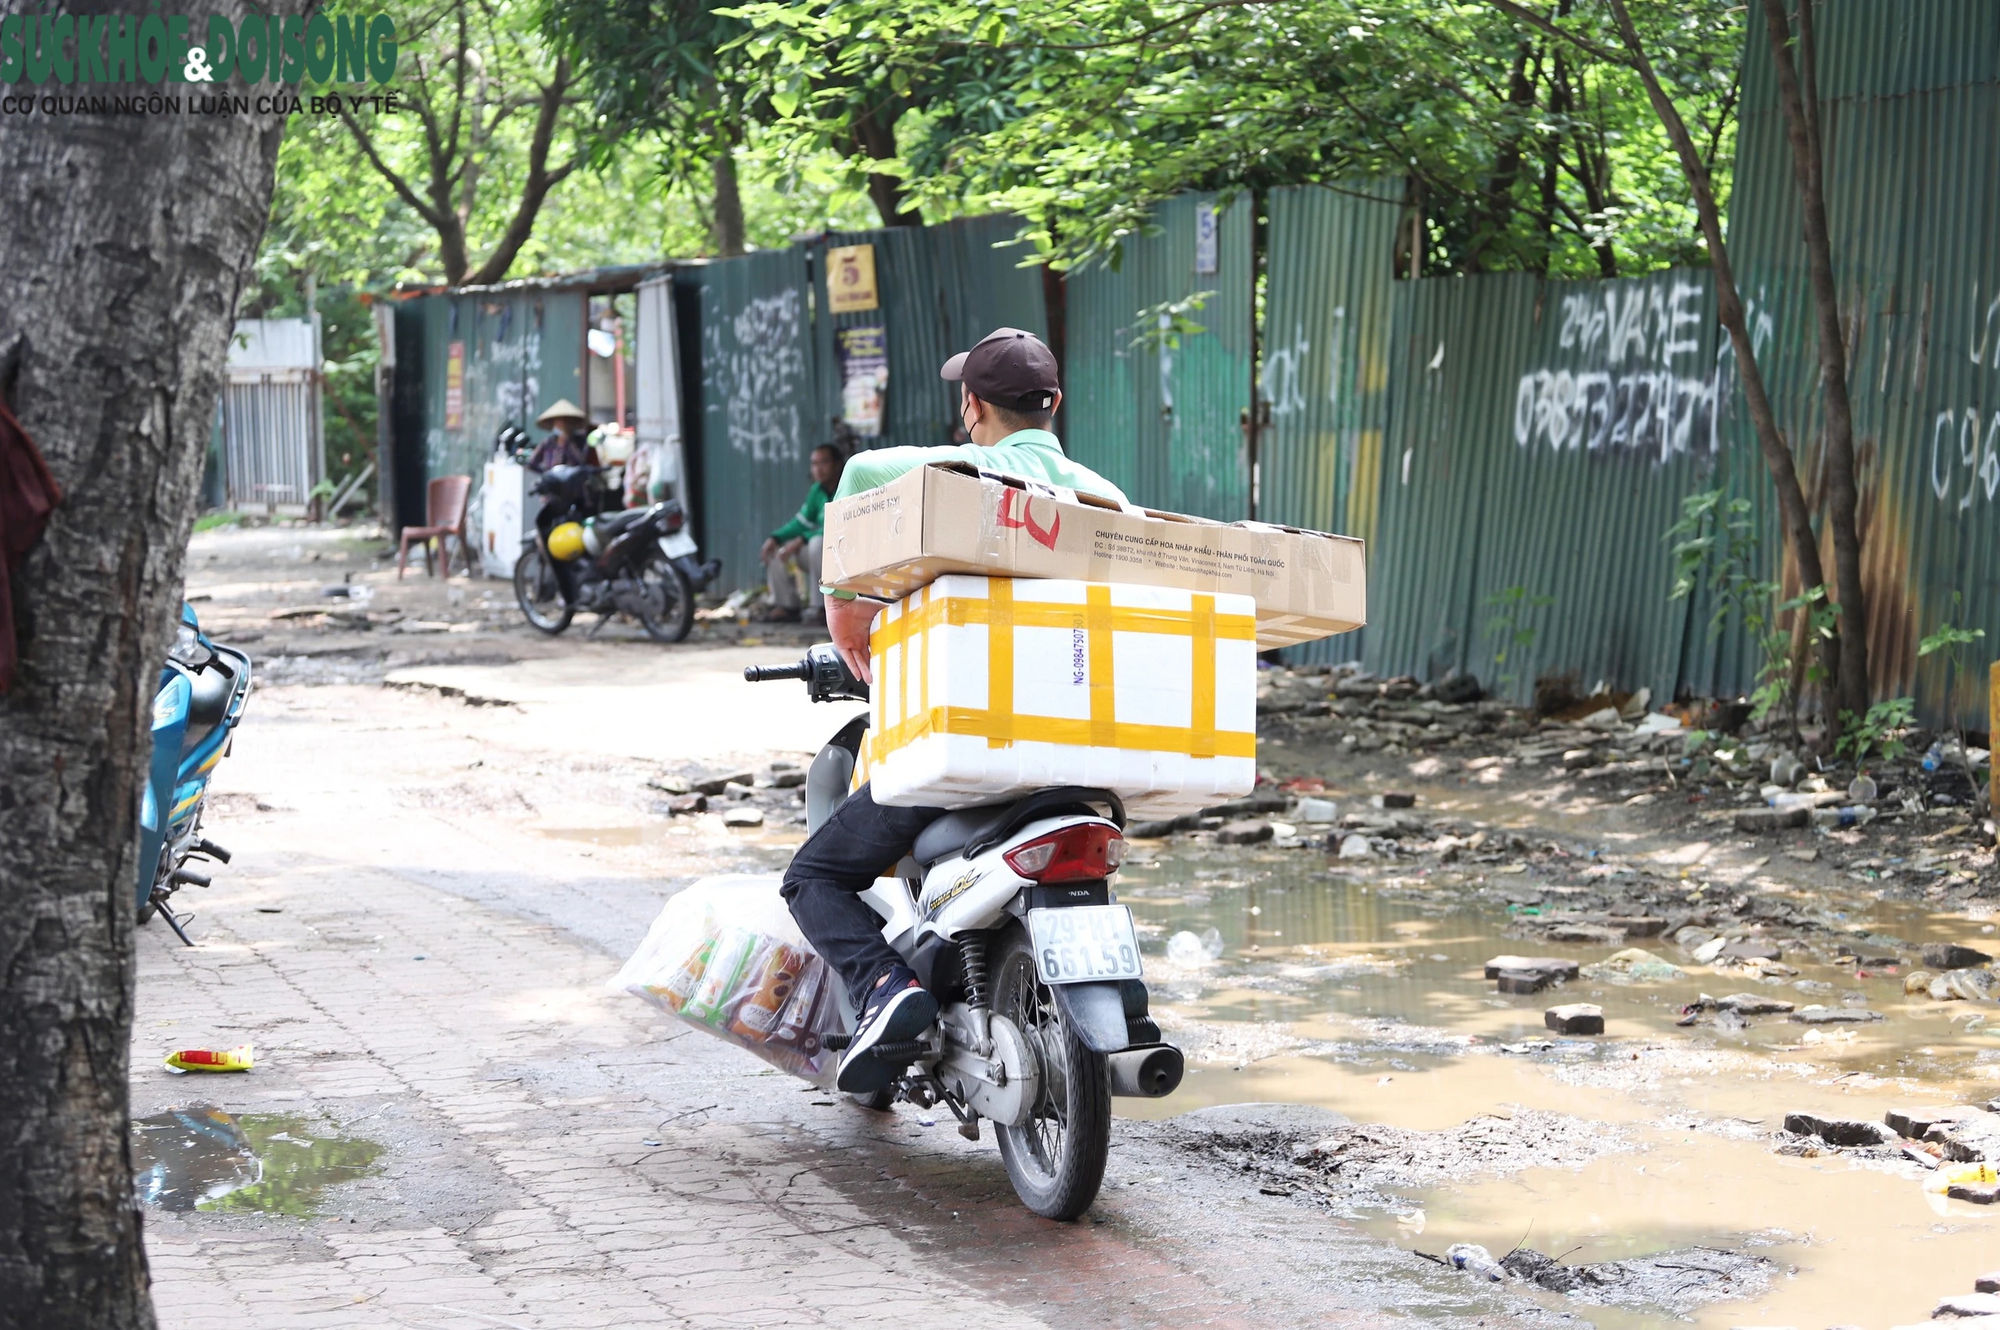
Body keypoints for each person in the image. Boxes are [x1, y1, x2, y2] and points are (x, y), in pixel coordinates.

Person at [780, 327, 1129, 1094]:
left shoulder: (918, 472)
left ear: (970, 403)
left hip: (963, 754)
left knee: (812, 878)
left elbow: (862, 485)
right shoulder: (1107, 499)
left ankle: (887, 990)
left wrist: (846, 617)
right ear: (1054, 405)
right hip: (1085, 753)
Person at [759, 443, 844, 625]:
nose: (818, 469)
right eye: (814, 464)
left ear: (837, 464)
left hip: (845, 557)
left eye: (824, 463)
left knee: (816, 543)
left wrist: (803, 539)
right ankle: (787, 606)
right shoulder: (817, 490)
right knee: (779, 550)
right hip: (820, 557)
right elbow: (801, 522)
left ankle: (820, 608)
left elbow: (842, 524)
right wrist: (775, 537)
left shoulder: (848, 485)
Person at [526, 399, 599, 472]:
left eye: (564, 422)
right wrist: (545, 473)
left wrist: (568, 442)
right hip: (552, 479)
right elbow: (532, 463)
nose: (561, 425)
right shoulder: (548, 442)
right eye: (557, 422)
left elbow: (581, 461)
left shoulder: (580, 441)